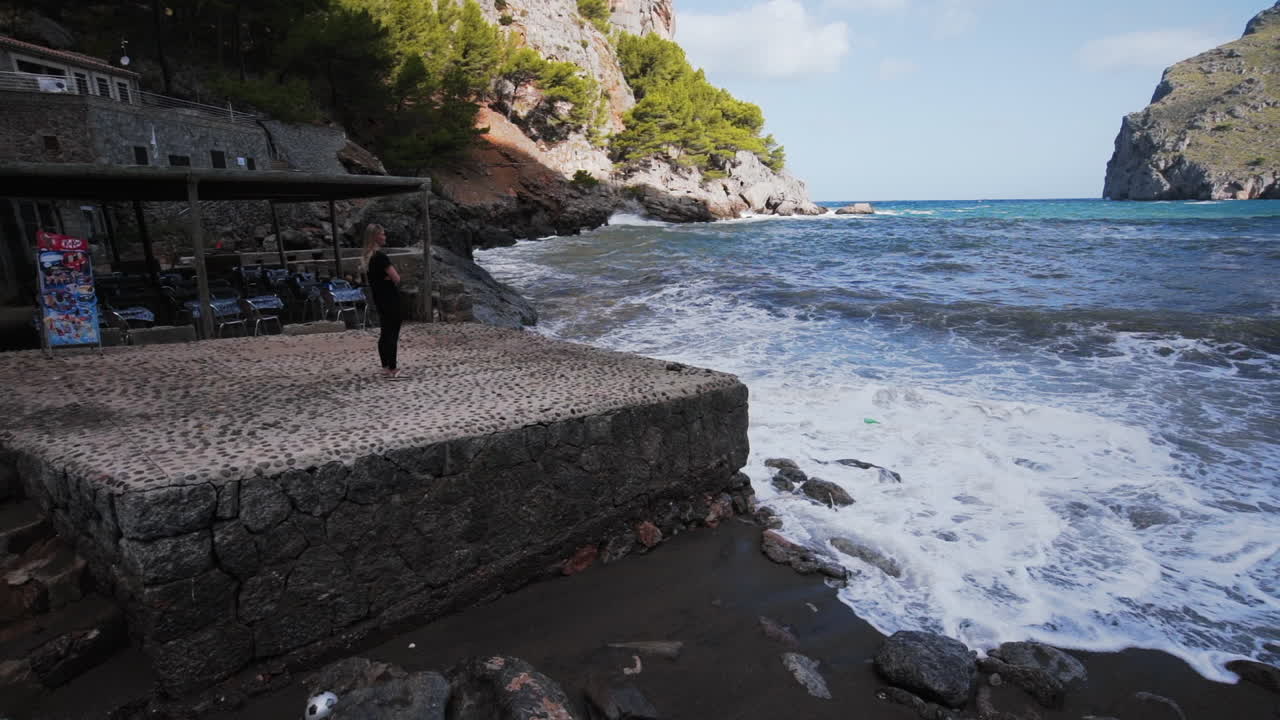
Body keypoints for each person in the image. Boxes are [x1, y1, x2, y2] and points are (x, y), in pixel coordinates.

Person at [361, 224, 403, 378]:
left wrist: (386, 278)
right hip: (390, 298)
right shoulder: (381, 257)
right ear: (376, 237)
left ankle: (385, 365)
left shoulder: (368, 258)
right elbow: (397, 278)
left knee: (385, 332)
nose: (385, 237)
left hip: (379, 299)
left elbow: (376, 279)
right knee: (392, 332)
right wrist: (389, 278)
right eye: (383, 234)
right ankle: (392, 367)